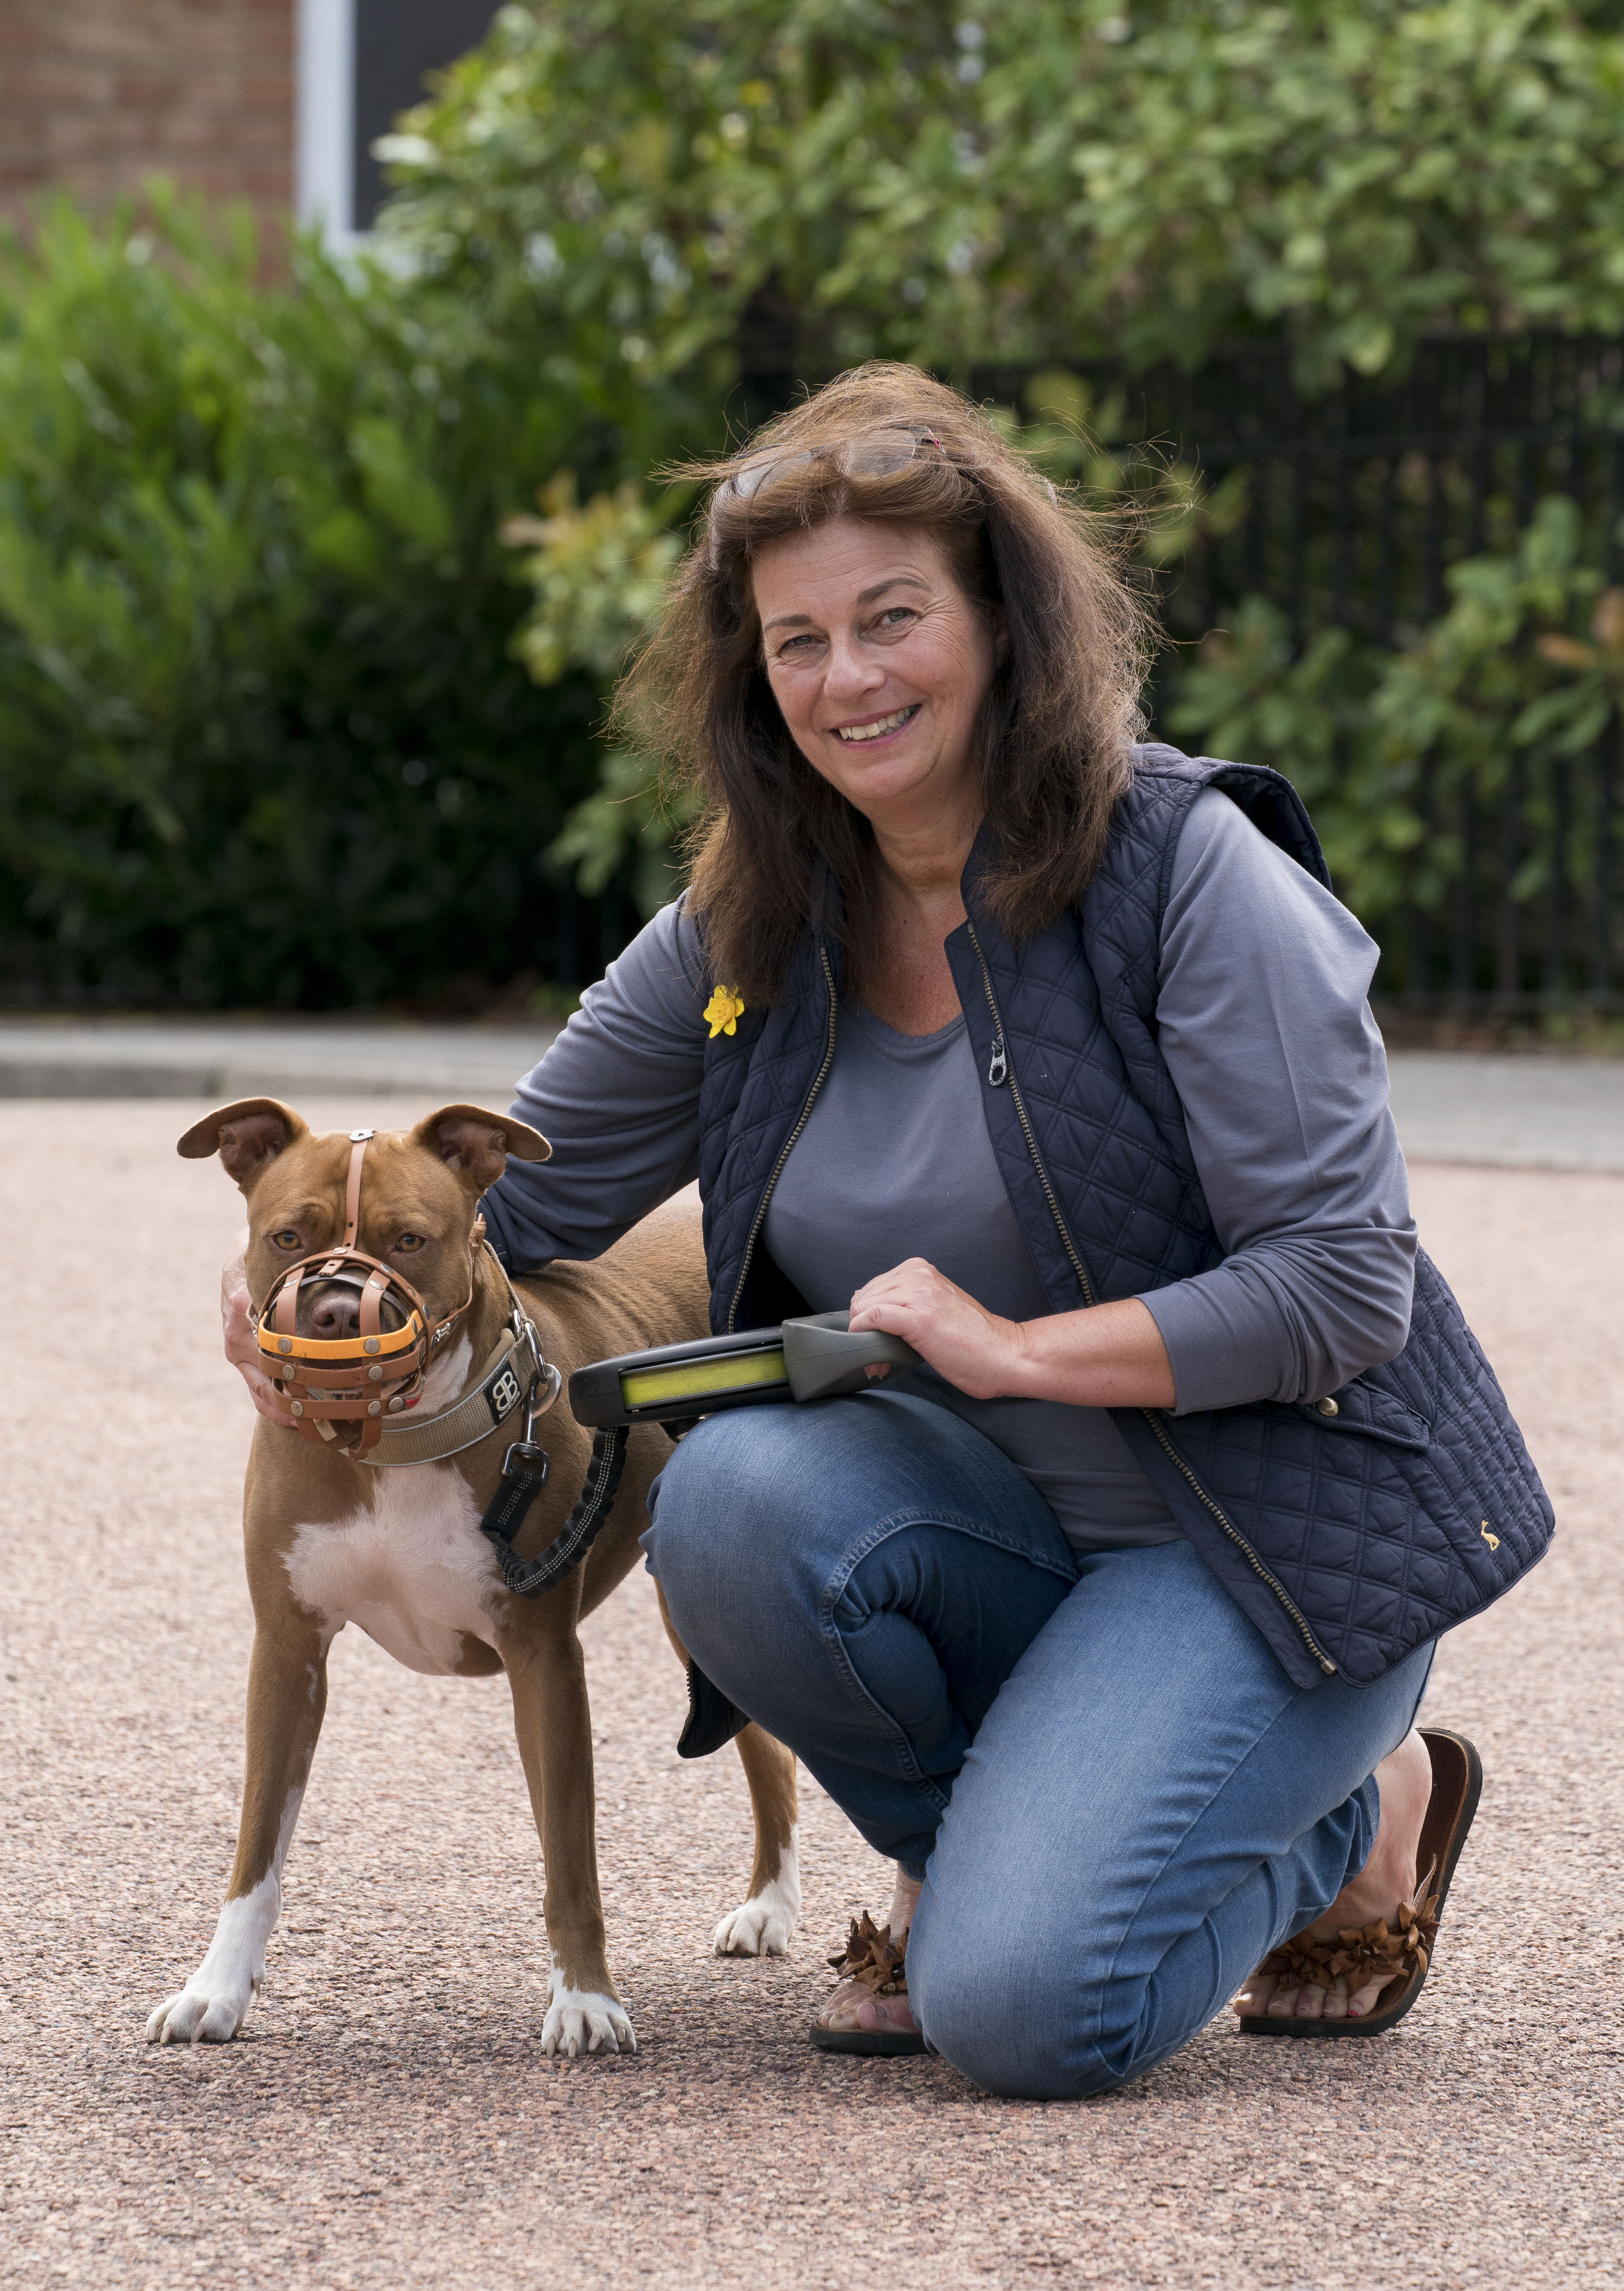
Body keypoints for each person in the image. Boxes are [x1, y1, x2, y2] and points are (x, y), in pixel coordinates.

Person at [226, 363, 1551, 2098]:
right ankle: (1026, 1817)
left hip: (1261, 1550)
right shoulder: (749, 925)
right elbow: (501, 1200)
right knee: (727, 1499)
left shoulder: (1191, 873)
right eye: (794, 642)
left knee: (1018, 2010)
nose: (844, 678)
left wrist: (1012, 1351)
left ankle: (1347, 1810)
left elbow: (1338, 1284)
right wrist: (286, 1285)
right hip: (984, 1541)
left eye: (888, 618)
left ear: (1000, 619)